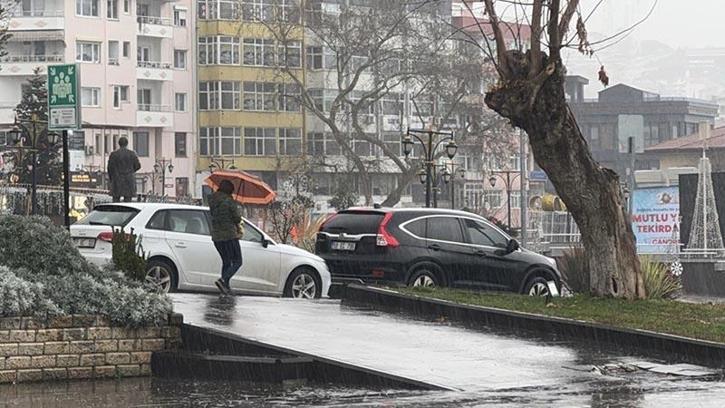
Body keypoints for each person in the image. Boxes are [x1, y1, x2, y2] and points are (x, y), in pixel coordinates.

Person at [209, 180, 243, 295]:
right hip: (229, 236)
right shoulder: (229, 201)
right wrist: (236, 207)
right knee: (238, 261)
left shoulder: (213, 201)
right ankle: (223, 280)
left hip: (216, 237)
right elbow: (237, 218)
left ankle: (225, 288)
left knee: (226, 261)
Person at [107, 136, 141, 202]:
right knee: (128, 202)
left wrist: (112, 178)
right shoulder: (132, 154)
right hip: (129, 181)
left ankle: (116, 212)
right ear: (127, 144)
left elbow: (109, 168)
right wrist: (131, 171)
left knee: (115, 202)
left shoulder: (114, 154)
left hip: (117, 180)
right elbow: (138, 166)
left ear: (119, 144)